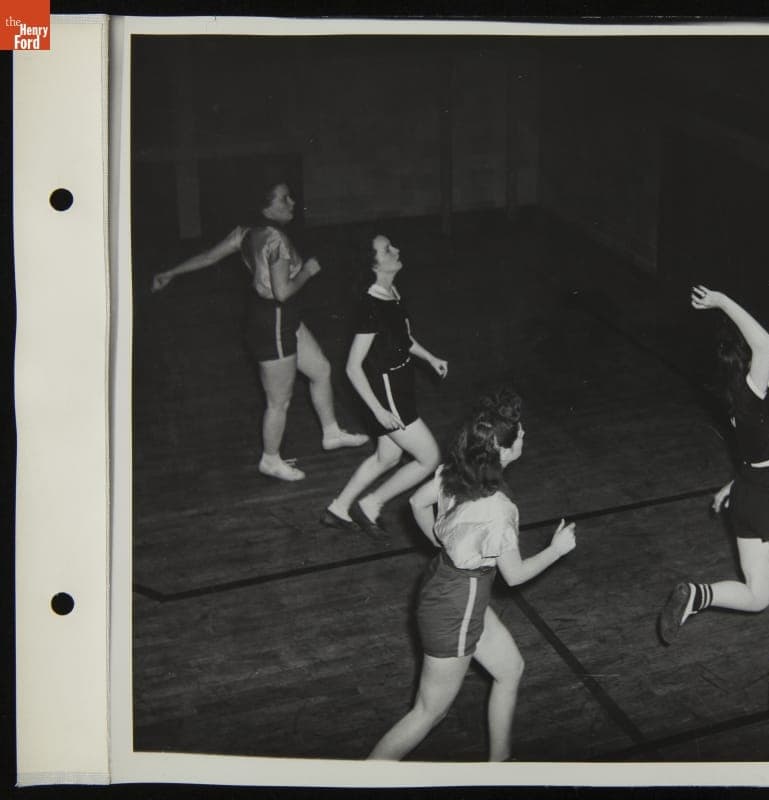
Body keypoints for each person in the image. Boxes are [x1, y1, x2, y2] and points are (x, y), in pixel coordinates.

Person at [369, 390, 577, 761]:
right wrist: (556, 550)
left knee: (510, 669)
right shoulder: (498, 510)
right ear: (504, 451)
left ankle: (499, 763)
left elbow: (417, 502)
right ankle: (362, 780)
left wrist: (441, 540)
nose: (524, 434)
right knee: (429, 712)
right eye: (520, 434)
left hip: (452, 586)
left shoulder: (458, 470)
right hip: (458, 605)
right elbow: (514, 576)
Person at [658, 286, 769, 706]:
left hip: (748, 491)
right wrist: (721, 301)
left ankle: (699, 595)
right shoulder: (752, 391)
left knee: (758, 595)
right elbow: (763, 341)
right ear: (748, 363)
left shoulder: (751, 400)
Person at [150, 182, 369, 480]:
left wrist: (170, 272)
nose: (292, 203)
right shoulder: (275, 239)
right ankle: (270, 459)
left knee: (320, 369)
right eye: (284, 199)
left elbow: (209, 257)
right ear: (266, 207)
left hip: (279, 318)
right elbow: (283, 292)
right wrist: (308, 271)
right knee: (279, 401)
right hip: (274, 321)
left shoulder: (245, 232)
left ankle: (331, 433)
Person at [320, 235, 448, 539]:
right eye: (387, 249)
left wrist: (430, 357)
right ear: (374, 265)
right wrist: (378, 411)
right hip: (386, 393)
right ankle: (371, 505)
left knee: (387, 457)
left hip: (398, 384)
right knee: (429, 458)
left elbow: (402, 338)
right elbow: (352, 367)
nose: (396, 250)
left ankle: (338, 508)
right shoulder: (371, 306)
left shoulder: (391, 292)